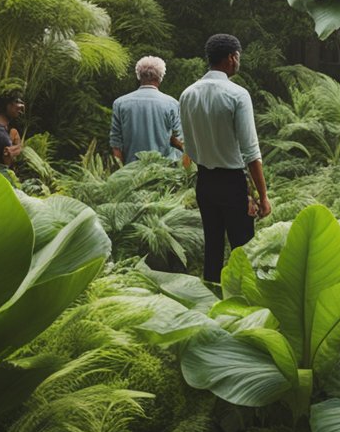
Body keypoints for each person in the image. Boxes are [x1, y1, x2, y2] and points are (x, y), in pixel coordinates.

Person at [180, 34, 271, 283]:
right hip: (232, 183)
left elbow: (188, 145)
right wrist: (262, 196)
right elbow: (251, 152)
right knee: (243, 250)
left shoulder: (188, 94)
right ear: (232, 58)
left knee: (213, 248)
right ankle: (243, 307)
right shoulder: (237, 94)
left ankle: (210, 299)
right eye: (238, 56)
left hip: (205, 182)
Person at [110, 56, 184, 165]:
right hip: (164, 172)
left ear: (139, 76)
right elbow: (180, 140)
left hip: (131, 173)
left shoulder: (120, 103)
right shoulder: (172, 104)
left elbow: (116, 144)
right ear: (160, 77)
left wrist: (121, 172)